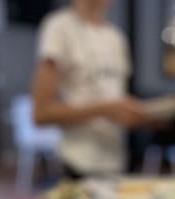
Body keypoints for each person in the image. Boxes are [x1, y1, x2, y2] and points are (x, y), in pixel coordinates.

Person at [32, 0, 150, 178]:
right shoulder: (59, 28)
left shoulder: (116, 38)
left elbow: (117, 102)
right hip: (77, 163)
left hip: (116, 163)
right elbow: (41, 113)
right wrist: (105, 110)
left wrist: (139, 116)